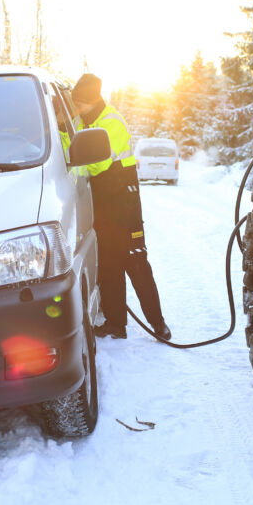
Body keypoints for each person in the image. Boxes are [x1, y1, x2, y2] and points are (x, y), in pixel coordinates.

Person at [69, 73, 171, 341]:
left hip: (124, 206)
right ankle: (116, 324)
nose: (76, 109)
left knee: (136, 263)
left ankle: (158, 323)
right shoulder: (82, 121)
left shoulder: (112, 122)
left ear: (91, 101)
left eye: (79, 104)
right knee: (109, 266)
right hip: (102, 205)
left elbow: (97, 163)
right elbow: (70, 144)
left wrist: (73, 162)